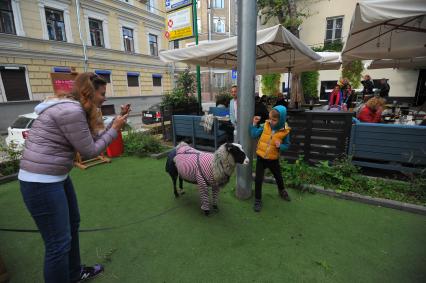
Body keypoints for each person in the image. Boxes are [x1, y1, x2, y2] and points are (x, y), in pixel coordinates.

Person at [18, 73, 129, 283]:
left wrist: (115, 123)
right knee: (58, 244)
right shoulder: (72, 110)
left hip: (55, 177)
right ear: (89, 92)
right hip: (39, 182)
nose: (105, 98)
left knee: (73, 223)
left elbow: (91, 139)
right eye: (102, 93)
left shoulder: (76, 108)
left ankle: (74, 274)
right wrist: (114, 130)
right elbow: (89, 151)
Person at [250, 105, 291, 212]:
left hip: (273, 159)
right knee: (258, 179)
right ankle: (258, 200)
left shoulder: (285, 131)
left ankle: (282, 190)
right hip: (261, 158)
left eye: (274, 120)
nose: (271, 121)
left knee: (278, 176)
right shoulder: (265, 126)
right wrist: (254, 124)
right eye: (270, 118)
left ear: (281, 120)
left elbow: (287, 145)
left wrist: (280, 146)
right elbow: (254, 134)